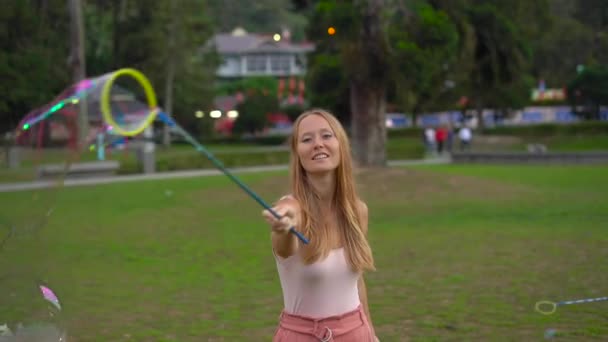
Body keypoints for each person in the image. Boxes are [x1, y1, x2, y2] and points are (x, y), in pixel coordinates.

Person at [262, 109, 379, 342]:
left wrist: (371, 334)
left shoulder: (358, 211)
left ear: (340, 145)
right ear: (298, 154)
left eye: (326, 135)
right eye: (307, 139)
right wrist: (283, 224)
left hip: (357, 332)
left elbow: (356, 281)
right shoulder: (291, 209)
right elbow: (285, 242)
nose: (317, 144)